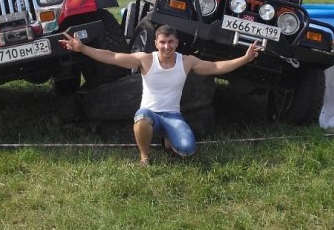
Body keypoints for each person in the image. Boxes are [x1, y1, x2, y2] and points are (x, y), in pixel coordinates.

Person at [59, 24, 261, 166]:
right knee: (142, 117)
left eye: (170, 42)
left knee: (187, 151)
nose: (167, 46)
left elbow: (216, 67)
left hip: (173, 115)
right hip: (150, 114)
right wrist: (82, 48)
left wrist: (245, 58)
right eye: (162, 42)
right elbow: (112, 56)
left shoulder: (187, 61)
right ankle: (144, 157)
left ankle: (167, 139)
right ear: (156, 43)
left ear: (177, 42)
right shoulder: (146, 59)